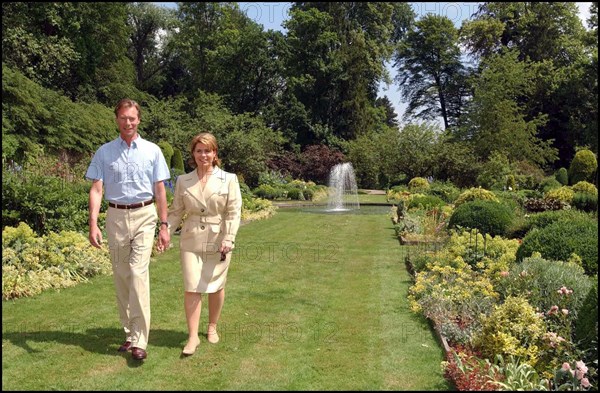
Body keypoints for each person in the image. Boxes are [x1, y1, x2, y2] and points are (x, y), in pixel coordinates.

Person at [86, 98, 171, 361]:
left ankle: (140, 340)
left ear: (139, 120)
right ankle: (128, 333)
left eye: (132, 118)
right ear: (117, 120)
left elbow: (160, 191)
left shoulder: (153, 151)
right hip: (115, 216)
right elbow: (97, 188)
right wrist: (93, 223)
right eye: (123, 117)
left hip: (145, 214)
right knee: (122, 275)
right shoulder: (104, 152)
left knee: (137, 272)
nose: (128, 122)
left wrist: (164, 225)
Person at [166, 132, 242, 356]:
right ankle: (192, 337)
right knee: (192, 286)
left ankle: (212, 326)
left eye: (207, 150)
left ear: (215, 153)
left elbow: (233, 212)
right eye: (199, 151)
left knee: (216, 286)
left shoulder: (229, 179)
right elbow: (176, 211)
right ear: (193, 154)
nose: (203, 155)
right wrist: (166, 233)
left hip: (219, 240)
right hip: (190, 240)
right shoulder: (183, 180)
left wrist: (229, 237)